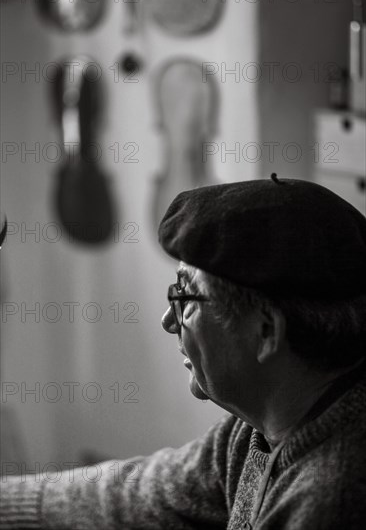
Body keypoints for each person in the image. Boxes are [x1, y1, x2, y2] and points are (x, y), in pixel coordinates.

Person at [1, 175, 366, 529]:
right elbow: (132, 495)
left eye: (185, 297)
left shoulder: (332, 498)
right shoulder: (253, 434)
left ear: (266, 331)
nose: (168, 322)